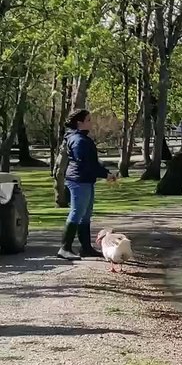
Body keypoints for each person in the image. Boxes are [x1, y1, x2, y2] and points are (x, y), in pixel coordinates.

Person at [60, 109, 117, 261]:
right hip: (79, 180)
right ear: (80, 122)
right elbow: (85, 163)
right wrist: (105, 174)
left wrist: (104, 172)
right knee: (77, 212)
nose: (92, 123)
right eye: (89, 120)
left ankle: (86, 248)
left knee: (85, 215)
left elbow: (90, 163)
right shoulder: (78, 140)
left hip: (85, 179)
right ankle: (65, 248)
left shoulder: (81, 138)